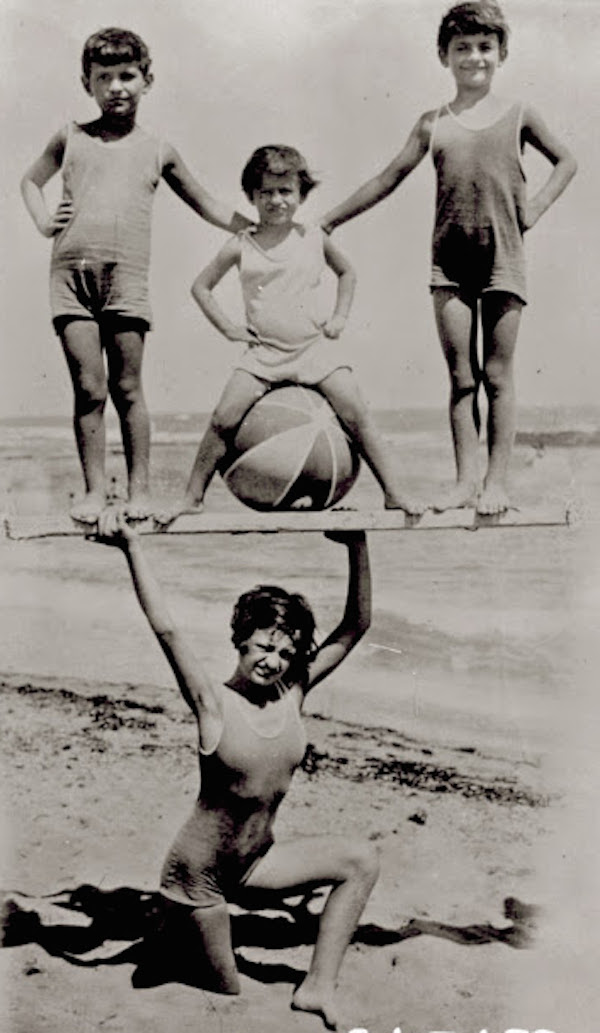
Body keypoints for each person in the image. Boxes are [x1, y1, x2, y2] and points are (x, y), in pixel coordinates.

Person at [96, 505, 378, 1031]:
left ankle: (317, 988)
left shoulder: (293, 693)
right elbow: (167, 629)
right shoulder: (212, 703)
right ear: (242, 639)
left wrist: (357, 544)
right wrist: (132, 547)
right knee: (227, 988)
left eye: (287, 652)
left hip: (255, 865)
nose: (273, 660)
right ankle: (171, 926)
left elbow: (356, 627)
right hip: (197, 878)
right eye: (265, 646)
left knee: (361, 860)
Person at [321, 1, 577, 515]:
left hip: (504, 259)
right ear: (444, 55)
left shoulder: (520, 113)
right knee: (462, 379)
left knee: (498, 376)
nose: (474, 58)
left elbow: (568, 161)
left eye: (485, 47)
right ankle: (465, 483)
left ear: (501, 53)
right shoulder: (432, 123)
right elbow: (387, 178)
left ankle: (497, 484)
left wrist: (537, 207)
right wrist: (329, 220)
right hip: (449, 266)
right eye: (462, 48)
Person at [21, 27, 250, 525]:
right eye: (104, 78)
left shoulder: (158, 150)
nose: (116, 87)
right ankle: (93, 492)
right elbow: (30, 181)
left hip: (125, 281)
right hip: (69, 280)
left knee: (127, 389)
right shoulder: (70, 137)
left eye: (127, 76)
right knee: (88, 389)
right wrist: (43, 222)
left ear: (148, 80)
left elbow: (207, 203)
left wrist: (256, 227)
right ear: (88, 83)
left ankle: (140, 490)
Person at [156, 144, 424, 522]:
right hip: (263, 354)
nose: (275, 200)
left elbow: (347, 273)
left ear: (301, 195)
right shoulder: (241, 243)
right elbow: (201, 287)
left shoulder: (313, 237)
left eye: (285, 192)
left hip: (312, 350)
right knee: (222, 418)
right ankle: (192, 497)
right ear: (251, 196)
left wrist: (339, 317)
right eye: (265, 192)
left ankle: (395, 493)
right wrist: (229, 328)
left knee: (357, 412)